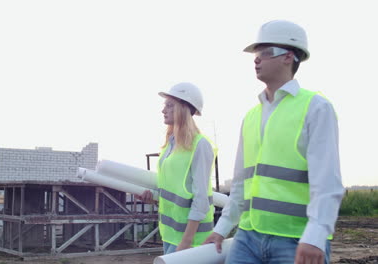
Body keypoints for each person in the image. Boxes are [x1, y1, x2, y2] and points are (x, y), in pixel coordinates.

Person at [203, 20, 344, 264]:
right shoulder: (251, 116)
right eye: (256, 54)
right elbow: (240, 184)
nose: (256, 59)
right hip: (248, 238)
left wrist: (316, 235)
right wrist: (222, 227)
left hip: (295, 239)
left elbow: (327, 182)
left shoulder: (316, 108)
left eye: (264, 53)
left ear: (288, 56)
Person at [138, 82, 216, 255]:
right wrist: (153, 198)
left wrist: (186, 242)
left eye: (169, 105)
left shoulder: (200, 145)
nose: (163, 110)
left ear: (183, 108)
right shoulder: (170, 145)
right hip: (170, 235)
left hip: (191, 239)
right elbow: (174, 191)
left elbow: (201, 199)